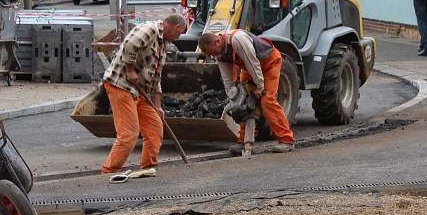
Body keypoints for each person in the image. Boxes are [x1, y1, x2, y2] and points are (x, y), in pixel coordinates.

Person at [100, 13, 188, 174]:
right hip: (122, 85)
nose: (178, 36)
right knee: (129, 134)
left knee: (155, 128)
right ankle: (108, 171)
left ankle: (148, 168)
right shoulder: (150, 29)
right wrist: (130, 70)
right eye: (180, 33)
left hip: (142, 91)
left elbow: (156, 78)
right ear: (176, 27)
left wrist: (158, 106)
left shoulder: (164, 44)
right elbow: (129, 44)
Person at [198, 30, 295, 153]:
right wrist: (233, 96)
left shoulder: (238, 39)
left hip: (269, 63)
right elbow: (227, 78)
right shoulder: (219, 53)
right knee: (243, 102)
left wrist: (260, 86)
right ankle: (244, 141)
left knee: (267, 101)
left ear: (217, 41)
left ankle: (287, 140)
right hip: (249, 68)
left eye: (213, 52)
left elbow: (252, 62)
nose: (214, 55)